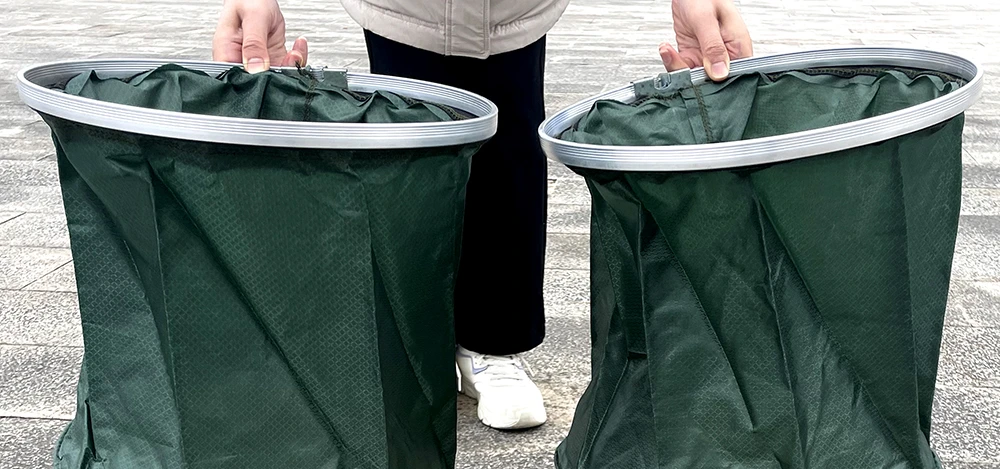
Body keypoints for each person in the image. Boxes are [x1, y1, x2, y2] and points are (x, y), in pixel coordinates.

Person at [214, 0, 753, 430]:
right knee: (412, 150)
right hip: (407, 10)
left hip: (512, 13)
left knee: (509, 147)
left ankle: (493, 342)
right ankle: (409, 343)